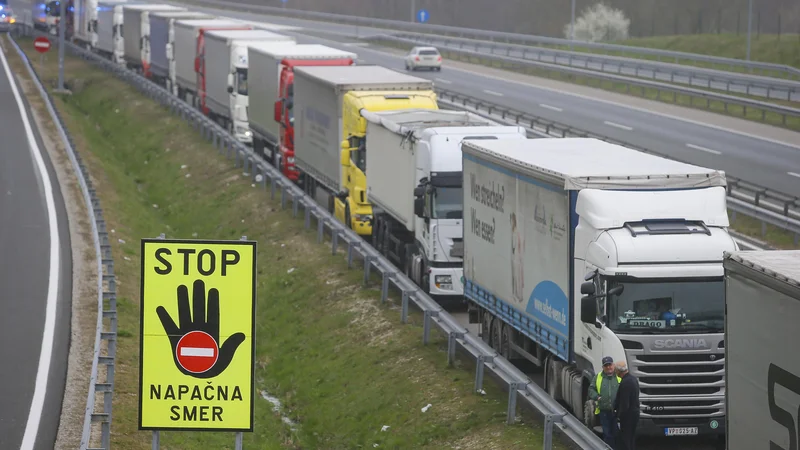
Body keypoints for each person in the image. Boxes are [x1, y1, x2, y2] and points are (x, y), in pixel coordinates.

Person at [588, 356, 621, 448]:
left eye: (610, 365)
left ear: (613, 365)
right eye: (606, 366)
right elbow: (591, 389)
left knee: (617, 433)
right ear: (603, 367)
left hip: (616, 411)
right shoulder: (598, 377)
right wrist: (596, 397)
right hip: (604, 410)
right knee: (607, 434)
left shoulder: (618, 376)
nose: (608, 367)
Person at [613, 361, 641, 450]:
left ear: (618, 371)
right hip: (635, 413)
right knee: (631, 438)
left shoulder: (626, 383)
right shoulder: (633, 379)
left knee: (625, 439)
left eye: (615, 370)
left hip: (628, 416)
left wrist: (619, 416)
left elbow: (625, 403)